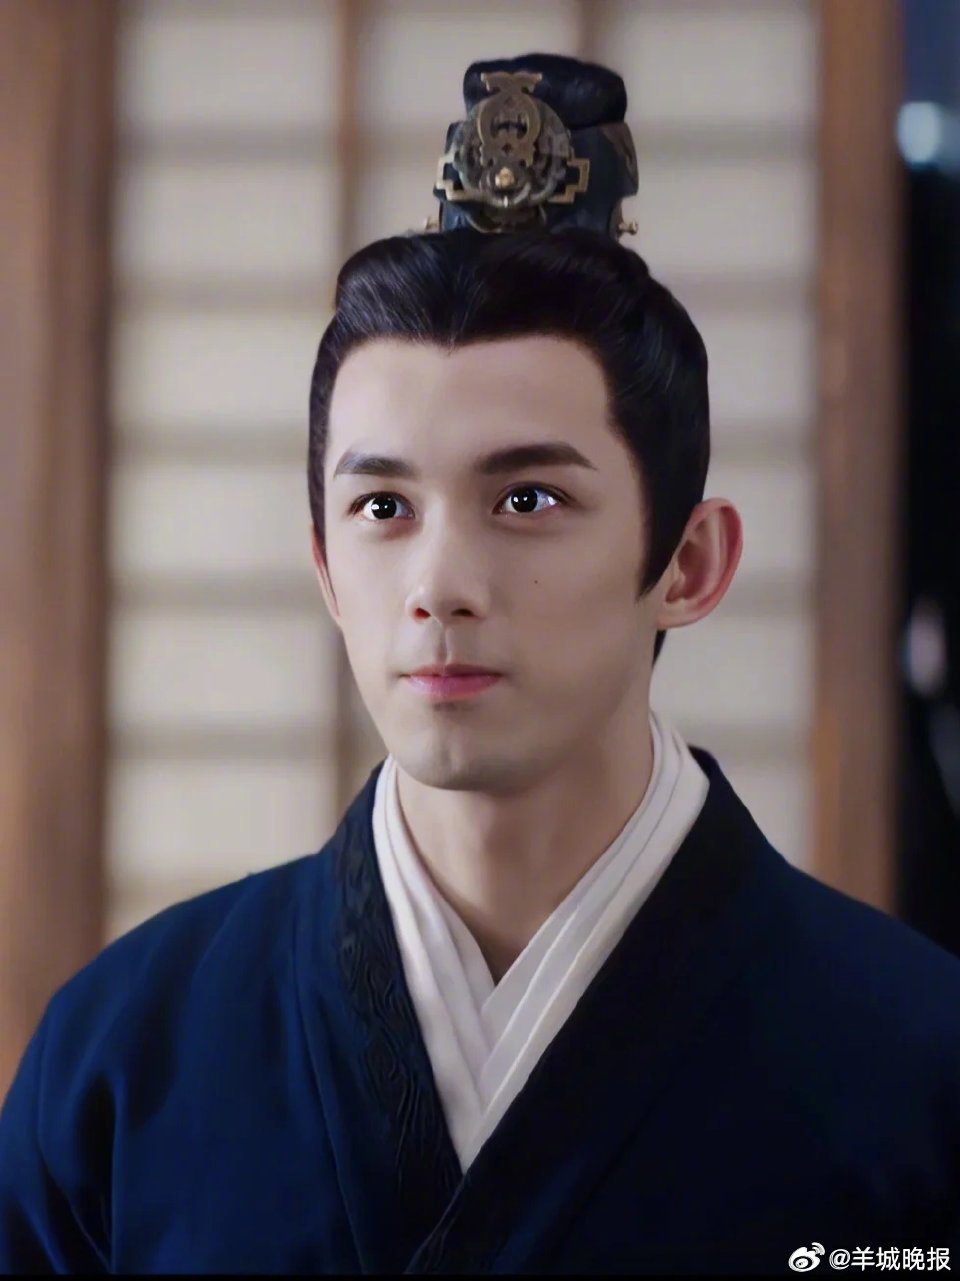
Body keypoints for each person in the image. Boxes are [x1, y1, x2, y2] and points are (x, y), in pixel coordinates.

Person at [1, 54, 959, 1277]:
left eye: (527, 499)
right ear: (324, 566)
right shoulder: (125, 1057)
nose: (440, 583)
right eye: (384, 508)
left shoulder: (917, 1065)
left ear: (689, 563)